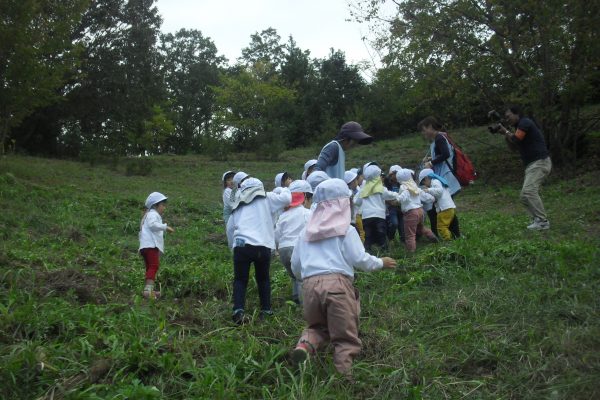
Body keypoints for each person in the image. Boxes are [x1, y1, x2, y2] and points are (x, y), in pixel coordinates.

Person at [290, 178, 397, 375]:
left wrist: (303, 279)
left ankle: (304, 346)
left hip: (309, 286)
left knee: (316, 327)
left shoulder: (305, 233)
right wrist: (381, 262)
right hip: (338, 286)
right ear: (342, 205)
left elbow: (295, 265)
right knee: (344, 337)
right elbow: (360, 258)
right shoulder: (346, 230)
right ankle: (344, 378)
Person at [227, 177, 291, 324]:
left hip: (241, 245)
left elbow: (230, 227)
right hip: (262, 246)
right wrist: (285, 187)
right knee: (263, 279)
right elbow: (287, 198)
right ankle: (266, 310)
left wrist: (233, 246)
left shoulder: (238, 202)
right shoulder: (267, 197)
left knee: (240, 280)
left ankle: (238, 310)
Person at [500, 106, 552, 230]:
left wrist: (506, 132)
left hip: (540, 162)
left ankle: (543, 222)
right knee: (524, 196)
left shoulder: (525, 122)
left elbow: (516, 139)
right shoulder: (519, 127)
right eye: (506, 118)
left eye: (508, 116)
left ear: (516, 113)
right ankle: (537, 220)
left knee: (529, 192)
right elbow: (513, 148)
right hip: (531, 164)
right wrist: (505, 135)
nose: (507, 120)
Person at [275, 180, 312, 304]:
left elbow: (277, 235)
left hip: (283, 248)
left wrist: (277, 248)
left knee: (293, 275)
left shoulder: (283, 215)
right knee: (302, 276)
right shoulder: (307, 213)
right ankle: (303, 304)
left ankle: (295, 296)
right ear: (305, 198)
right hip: (298, 247)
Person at [354, 164, 402, 252]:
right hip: (379, 216)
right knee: (381, 234)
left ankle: (368, 252)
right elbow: (390, 195)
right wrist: (398, 195)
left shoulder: (363, 189)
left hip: (366, 216)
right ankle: (384, 251)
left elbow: (356, 201)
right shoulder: (380, 188)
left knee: (368, 235)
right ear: (377, 176)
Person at [139, 192, 175, 299]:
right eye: (162, 205)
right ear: (155, 205)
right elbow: (152, 225)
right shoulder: (153, 214)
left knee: (150, 267)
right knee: (154, 265)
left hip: (145, 246)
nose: (164, 208)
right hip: (151, 246)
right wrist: (165, 227)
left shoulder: (148, 215)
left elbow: (142, 231)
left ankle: (149, 289)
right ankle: (147, 291)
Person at [395, 169, 437, 252]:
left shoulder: (404, 187)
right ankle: (432, 236)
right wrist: (432, 198)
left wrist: (397, 199)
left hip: (411, 213)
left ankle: (411, 251)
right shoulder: (414, 185)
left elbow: (403, 196)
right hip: (420, 211)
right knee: (420, 228)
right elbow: (423, 195)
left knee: (410, 234)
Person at [419, 168, 457, 241]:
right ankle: (450, 237)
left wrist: (428, 190)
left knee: (441, 226)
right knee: (441, 226)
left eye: (424, 183)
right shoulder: (436, 183)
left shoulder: (435, 181)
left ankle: (448, 240)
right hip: (445, 208)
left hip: (445, 208)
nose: (425, 185)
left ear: (426, 178)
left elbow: (439, 192)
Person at [385, 164, 405, 243]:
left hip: (401, 207)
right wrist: (390, 202)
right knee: (394, 223)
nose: (396, 176)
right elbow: (384, 196)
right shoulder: (387, 184)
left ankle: (403, 241)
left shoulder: (402, 184)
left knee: (402, 226)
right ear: (391, 175)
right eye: (395, 174)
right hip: (392, 208)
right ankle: (390, 238)